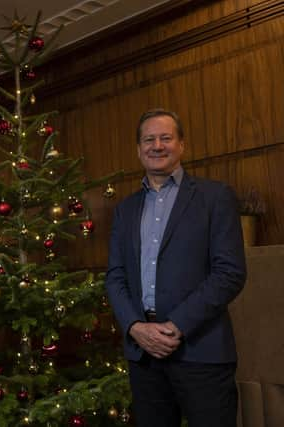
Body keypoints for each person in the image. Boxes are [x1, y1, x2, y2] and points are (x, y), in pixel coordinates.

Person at [105, 108, 246, 427]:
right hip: (143, 355)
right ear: (138, 149)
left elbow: (230, 272)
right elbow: (115, 277)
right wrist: (135, 328)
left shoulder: (215, 197)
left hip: (201, 350)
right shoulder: (125, 210)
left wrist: (175, 326)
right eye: (148, 139)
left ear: (181, 144)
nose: (157, 145)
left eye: (165, 138)